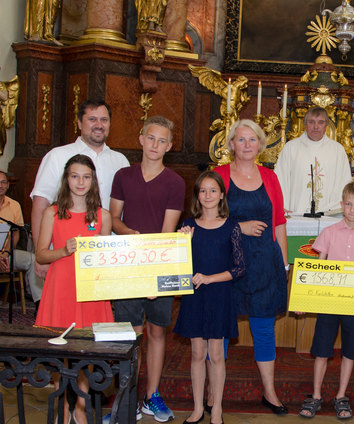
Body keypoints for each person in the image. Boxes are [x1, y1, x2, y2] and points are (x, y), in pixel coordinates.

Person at [109, 115, 185, 423]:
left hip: (160, 265)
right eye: (150, 138)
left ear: (169, 146)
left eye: (162, 140)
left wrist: (154, 273)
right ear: (141, 139)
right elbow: (113, 218)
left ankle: (151, 395)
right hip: (127, 263)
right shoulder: (123, 175)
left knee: (156, 331)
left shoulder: (175, 182)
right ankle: (125, 397)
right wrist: (130, 234)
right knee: (129, 333)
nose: (155, 145)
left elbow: (168, 233)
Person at [214, 119, 289, 415]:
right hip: (225, 263)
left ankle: (269, 392)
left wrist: (283, 265)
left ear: (260, 144)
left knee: (264, 327)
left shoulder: (270, 177)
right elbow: (205, 218)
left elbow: (279, 222)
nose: (247, 145)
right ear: (231, 144)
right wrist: (237, 227)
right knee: (220, 329)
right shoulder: (218, 175)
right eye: (241, 139)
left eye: (252, 139)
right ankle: (214, 392)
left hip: (263, 263)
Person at [35, 154, 113, 424]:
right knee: (60, 355)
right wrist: (63, 250)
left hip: (90, 291)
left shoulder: (103, 216)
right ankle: (63, 408)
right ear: (66, 179)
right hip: (61, 288)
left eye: (86, 177)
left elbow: (108, 258)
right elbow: (41, 255)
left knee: (86, 354)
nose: (80, 182)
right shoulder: (52, 212)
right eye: (75, 176)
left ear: (93, 181)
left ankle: (81, 406)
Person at [298, 181, 354, 420]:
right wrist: (305, 301)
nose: (352, 209)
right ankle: (316, 395)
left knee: (350, 350)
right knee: (322, 350)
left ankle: (341, 395)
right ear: (341, 205)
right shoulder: (329, 232)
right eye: (348, 204)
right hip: (328, 302)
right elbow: (318, 268)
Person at [173, 170, 246, 424]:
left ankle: (217, 409)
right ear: (197, 195)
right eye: (202, 190)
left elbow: (239, 268)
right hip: (195, 295)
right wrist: (181, 244)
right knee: (196, 353)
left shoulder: (231, 226)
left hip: (218, 294)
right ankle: (197, 408)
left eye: (213, 190)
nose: (207, 195)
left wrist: (209, 278)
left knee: (216, 355)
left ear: (222, 195)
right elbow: (177, 267)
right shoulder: (187, 225)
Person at [30, 99, 130, 279]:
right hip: (62, 256)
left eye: (104, 120)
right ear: (79, 123)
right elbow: (40, 205)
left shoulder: (121, 161)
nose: (99, 125)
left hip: (105, 257)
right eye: (92, 119)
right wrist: (41, 257)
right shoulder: (57, 156)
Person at [274, 106, 352, 213]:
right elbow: (280, 179)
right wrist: (282, 207)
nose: (316, 126)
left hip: (329, 214)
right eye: (311, 122)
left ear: (326, 125)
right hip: (296, 212)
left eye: (320, 122)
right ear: (305, 124)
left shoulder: (338, 150)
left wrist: (336, 210)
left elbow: (344, 182)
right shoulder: (291, 148)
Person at [0, 170, 43, 311]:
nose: (0, 185)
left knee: (32, 259)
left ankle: (39, 305)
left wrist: (6, 253)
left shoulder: (14, 205)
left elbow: (16, 232)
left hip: (7, 254)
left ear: (8, 185)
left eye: (3, 182)